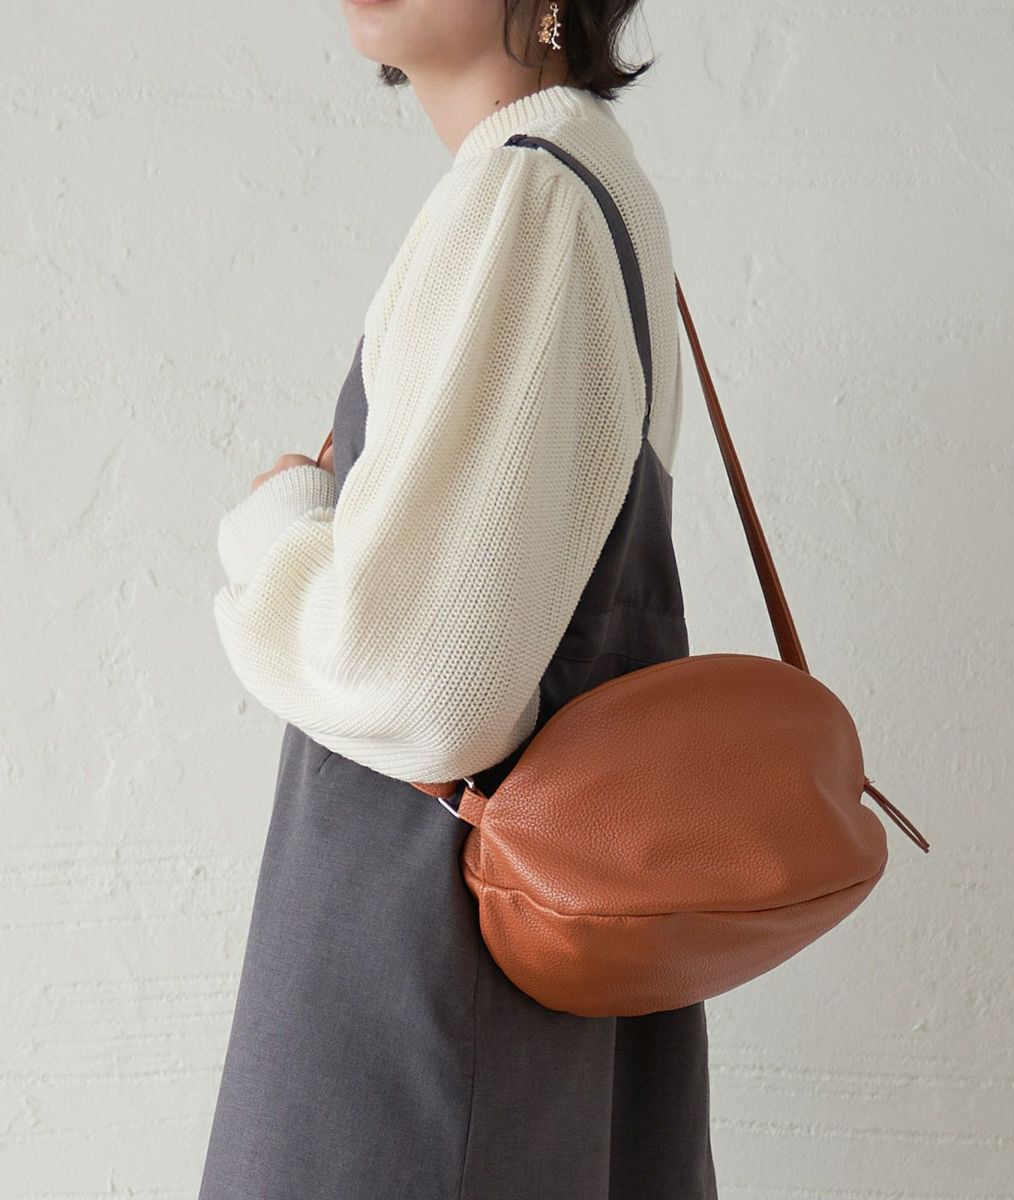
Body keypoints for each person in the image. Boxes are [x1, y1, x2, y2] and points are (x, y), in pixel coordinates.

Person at [199, 1, 718, 1197]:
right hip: (500, 1015)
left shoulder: (528, 197)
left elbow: (428, 686)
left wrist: (281, 528)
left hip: (422, 1013)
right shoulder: (575, 180)